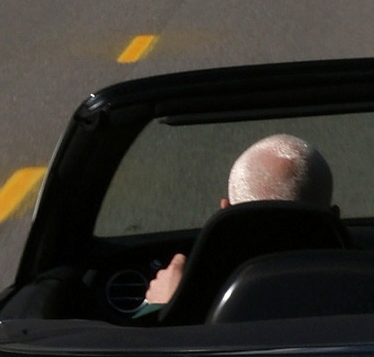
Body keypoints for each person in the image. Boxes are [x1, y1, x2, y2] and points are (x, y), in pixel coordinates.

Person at [137, 133, 334, 313]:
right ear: (334, 215)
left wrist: (164, 305)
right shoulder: (356, 284)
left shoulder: (200, 294)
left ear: (226, 209)